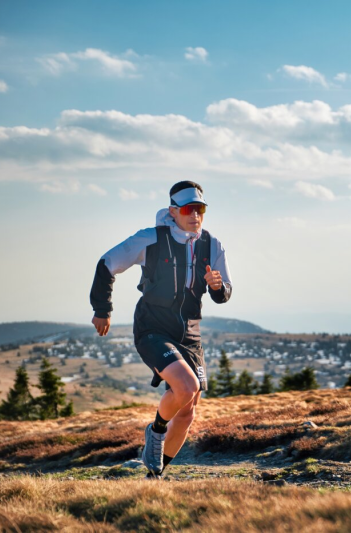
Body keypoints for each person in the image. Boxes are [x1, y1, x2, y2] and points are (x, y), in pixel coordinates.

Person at [89, 180, 232, 477]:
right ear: (173, 211)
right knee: (187, 386)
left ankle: (155, 475)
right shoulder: (151, 238)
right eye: (189, 209)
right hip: (152, 328)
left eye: (201, 209)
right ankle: (155, 432)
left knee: (188, 409)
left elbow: (223, 292)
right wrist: (102, 309)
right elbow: (107, 263)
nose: (196, 215)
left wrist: (218, 287)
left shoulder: (212, 244)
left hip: (190, 334)